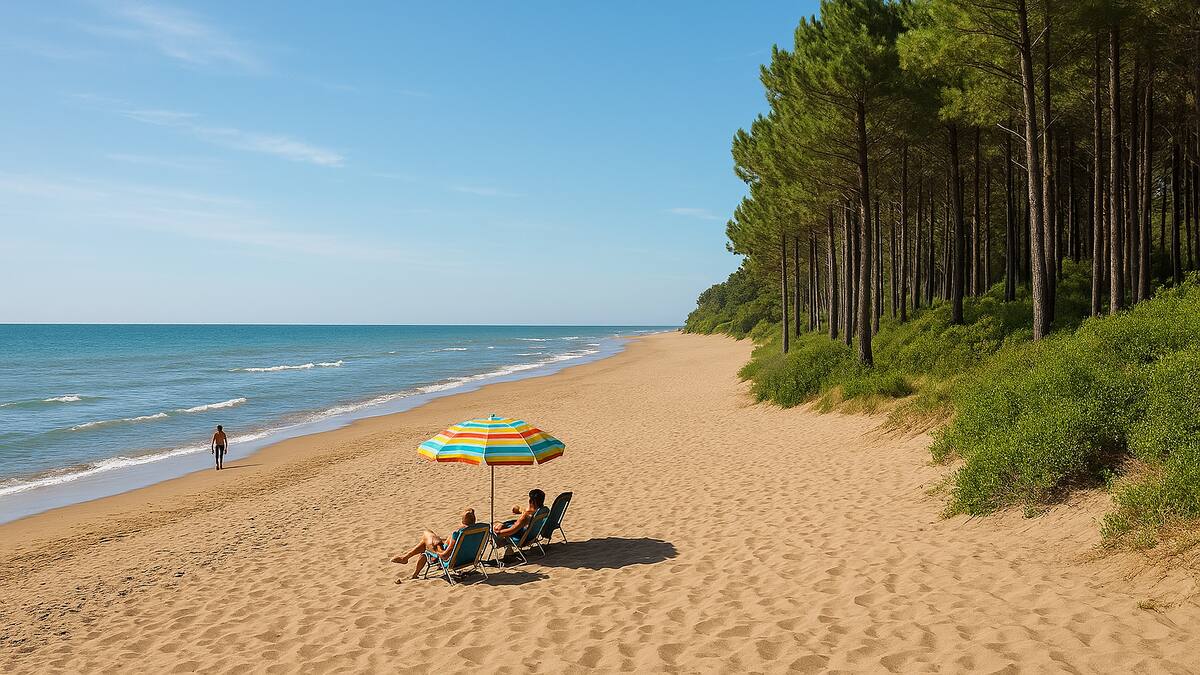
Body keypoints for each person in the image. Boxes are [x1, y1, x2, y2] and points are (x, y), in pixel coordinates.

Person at [391, 508, 477, 583]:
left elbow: (445, 555)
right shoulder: (479, 530)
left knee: (426, 536)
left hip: (450, 559)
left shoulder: (458, 534)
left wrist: (437, 551)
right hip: (468, 559)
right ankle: (408, 562)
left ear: (462, 520)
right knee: (430, 539)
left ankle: (406, 560)